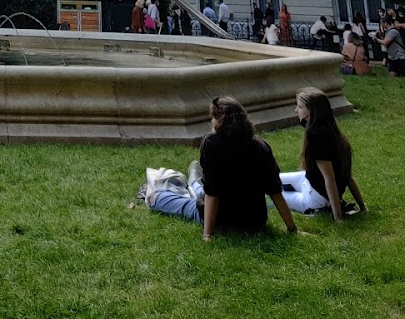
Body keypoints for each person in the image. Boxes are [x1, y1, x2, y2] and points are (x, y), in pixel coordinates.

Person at [144, 95, 298, 241]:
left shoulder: (212, 143)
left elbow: (212, 193)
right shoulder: (261, 147)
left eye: (213, 118)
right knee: (200, 190)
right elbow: (275, 191)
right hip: (253, 219)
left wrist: (207, 235)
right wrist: (292, 228)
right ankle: (193, 180)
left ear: (219, 121)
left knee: (158, 199)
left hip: (221, 217)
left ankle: (162, 190)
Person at [279, 88, 367, 219]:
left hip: (316, 198)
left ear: (311, 111)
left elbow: (330, 179)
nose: (296, 110)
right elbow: (348, 176)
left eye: (300, 107)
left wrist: (338, 218)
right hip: (308, 181)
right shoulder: (334, 132)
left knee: (269, 192)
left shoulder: (316, 137)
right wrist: (362, 206)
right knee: (269, 179)